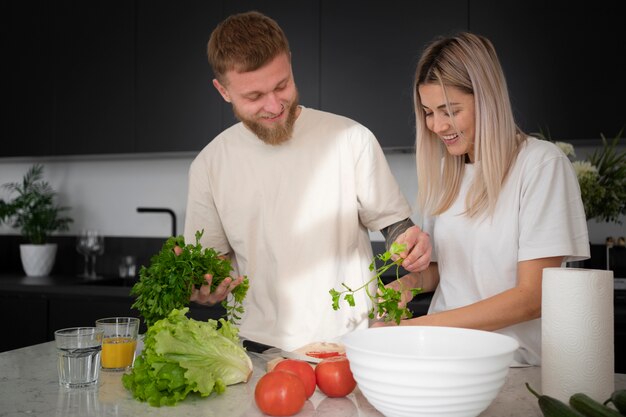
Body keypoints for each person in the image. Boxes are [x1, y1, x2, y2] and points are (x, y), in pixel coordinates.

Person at [183, 11, 431, 352]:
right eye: (254, 96)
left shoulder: (350, 138)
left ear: (290, 64)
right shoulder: (210, 165)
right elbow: (212, 267)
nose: (273, 105)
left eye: (282, 85)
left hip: (351, 343)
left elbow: (394, 226)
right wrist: (205, 290)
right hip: (254, 349)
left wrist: (410, 242)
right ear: (223, 90)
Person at [376, 32, 589, 365]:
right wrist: (407, 284)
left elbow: (533, 298)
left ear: (487, 99)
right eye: (429, 112)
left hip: (513, 366)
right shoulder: (446, 171)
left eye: (450, 110)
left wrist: (418, 328)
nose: (437, 125)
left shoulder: (541, 165)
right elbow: (443, 271)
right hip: (443, 359)